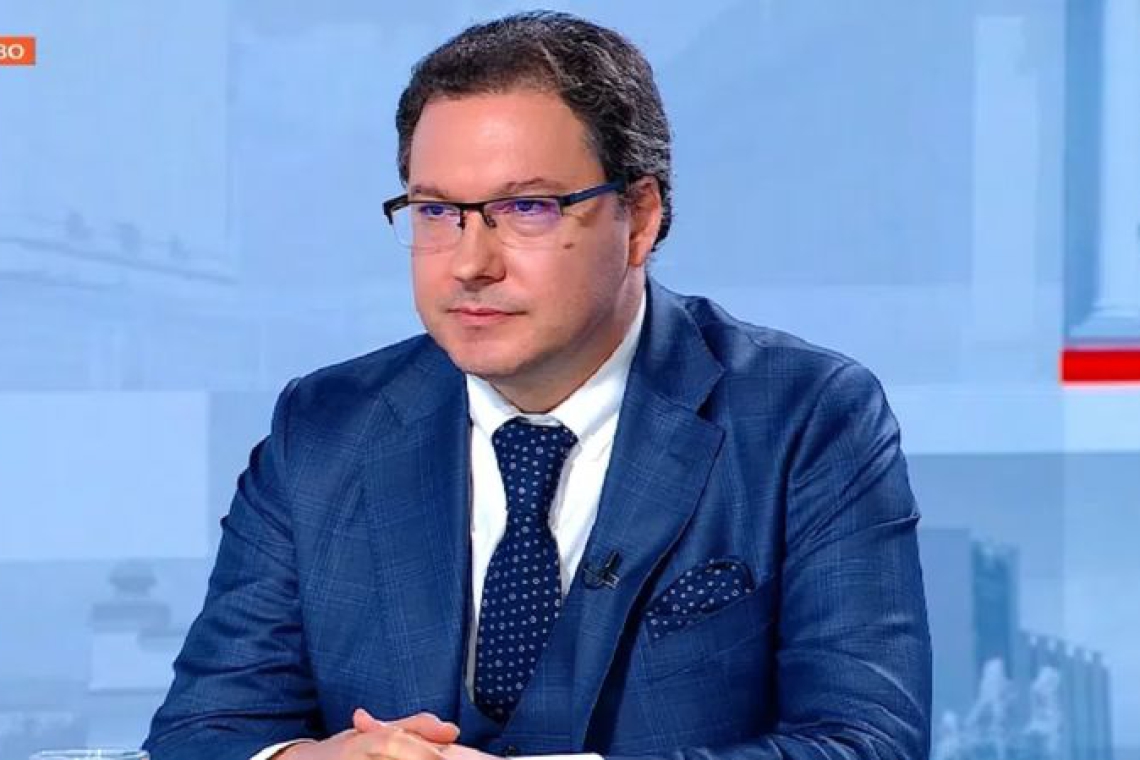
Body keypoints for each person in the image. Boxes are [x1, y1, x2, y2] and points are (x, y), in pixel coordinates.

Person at [144, 11, 932, 760]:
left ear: (640, 218)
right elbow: (202, 731)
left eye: (526, 208)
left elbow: (866, 743)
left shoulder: (805, 417)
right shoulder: (323, 429)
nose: (470, 263)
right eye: (436, 212)